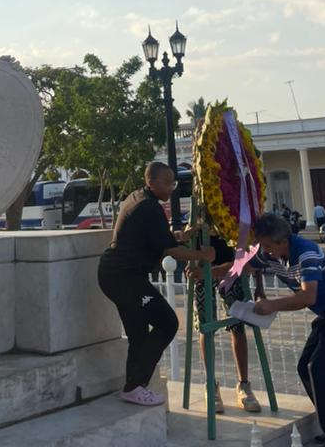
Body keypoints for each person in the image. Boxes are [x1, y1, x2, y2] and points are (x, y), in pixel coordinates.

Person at [97, 162, 215, 407]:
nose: (171, 187)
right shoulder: (148, 207)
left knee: (138, 333)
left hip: (117, 276)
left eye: (173, 182)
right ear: (151, 182)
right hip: (124, 279)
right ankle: (135, 385)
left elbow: (157, 237)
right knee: (167, 322)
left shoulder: (138, 198)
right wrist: (204, 256)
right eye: (166, 182)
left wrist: (182, 235)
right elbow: (171, 251)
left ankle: (133, 387)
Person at [250, 212, 325, 447]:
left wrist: (271, 305)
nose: (265, 251)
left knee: (321, 373)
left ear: (283, 242)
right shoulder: (270, 253)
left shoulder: (306, 252)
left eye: (269, 246)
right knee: (306, 368)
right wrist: (208, 270)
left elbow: (308, 296)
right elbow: (242, 266)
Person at [186, 233, 262, 414]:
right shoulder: (199, 210)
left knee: (238, 326)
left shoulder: (238, 208)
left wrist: (260, 286)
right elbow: (187, 236)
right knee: (206, 327)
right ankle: (211, 385)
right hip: (203, 269)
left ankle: (243, 384)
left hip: (232, 269)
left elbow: (253, 246)